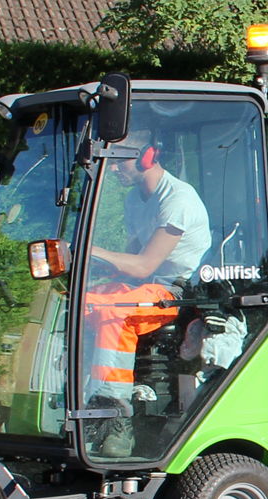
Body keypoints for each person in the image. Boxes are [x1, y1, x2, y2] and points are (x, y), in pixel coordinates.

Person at [80, 138, 212, 457]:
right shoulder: (134, 200)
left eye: (118, 161)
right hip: (147, 284)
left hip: (177, 291)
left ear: (148, 156)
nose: (111, 168)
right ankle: (87, 404)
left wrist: (86, 249)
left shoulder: (179, 199)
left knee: (115, 311)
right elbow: (129, 257)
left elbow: (142, 265)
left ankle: (117, 417)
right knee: (83, 303)